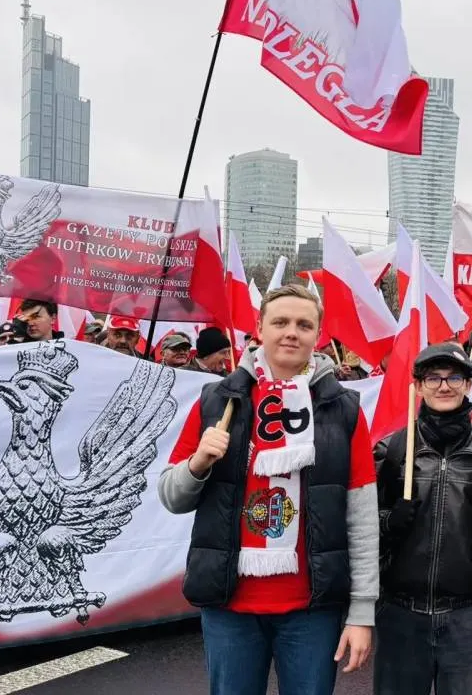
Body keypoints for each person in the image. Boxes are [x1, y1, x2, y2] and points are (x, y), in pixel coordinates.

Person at [157, 284, 378, 695]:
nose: (291, 333)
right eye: (280, 322)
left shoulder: (343, 409)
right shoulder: (217, 400)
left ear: (318, 335)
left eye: (303, 324)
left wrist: (362, 613)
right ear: (259, 329)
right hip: (230, 607)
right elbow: (172, 497)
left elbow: (361, 516)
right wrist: (198, 463)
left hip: (313, 609)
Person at [372, 342, 472, 694]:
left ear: (468, 384)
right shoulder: (390, 452)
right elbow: (360, 532)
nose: (443, 386)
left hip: (468, 618)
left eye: (453, 377)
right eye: (432, 377)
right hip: (400, 615)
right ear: (418, 386)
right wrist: (388, 521)